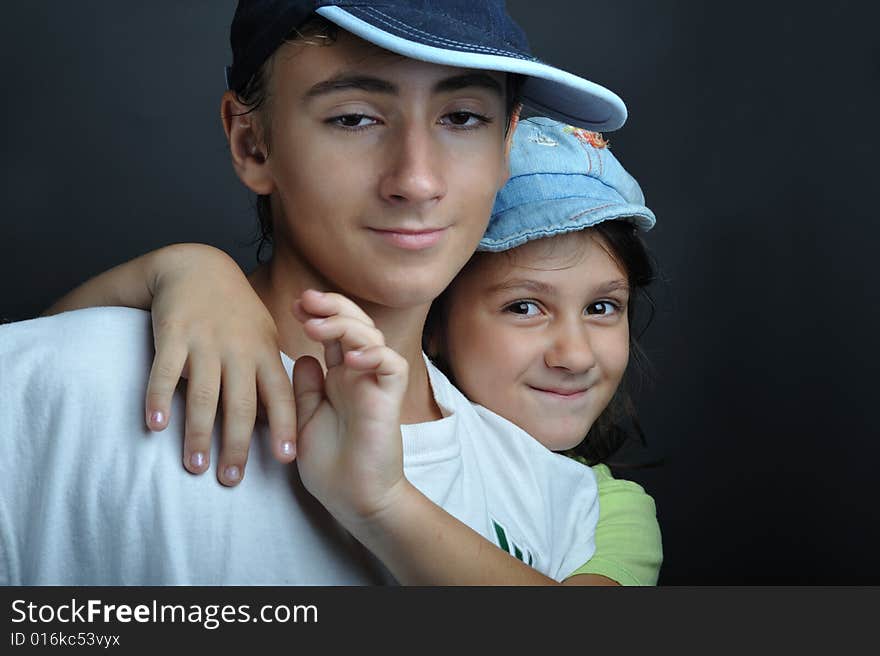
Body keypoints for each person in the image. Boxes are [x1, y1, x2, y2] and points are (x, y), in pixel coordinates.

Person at [0, 1, 629, 585]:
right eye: (353, 118)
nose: (416, 179)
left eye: (462, 117)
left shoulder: (559, 505)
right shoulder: (71, 377)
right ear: (252, 143)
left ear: (505, 146)